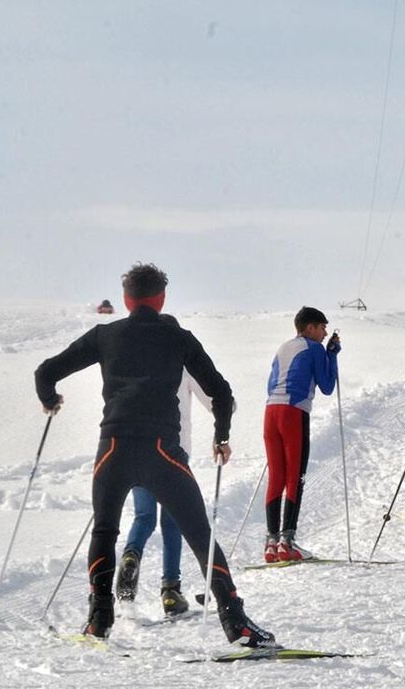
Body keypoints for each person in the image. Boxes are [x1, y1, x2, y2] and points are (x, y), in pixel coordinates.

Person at [34, 262, 273, 646]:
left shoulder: (104, 335)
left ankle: (99, 620)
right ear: (161, 299)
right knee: (199, 533)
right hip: (162, 449)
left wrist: (50, 399)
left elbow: (45, 371)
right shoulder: (179, 337)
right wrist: (221, 435)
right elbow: (221, 393)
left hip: (112, 448)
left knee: (105, 530)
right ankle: (236, 624)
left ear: (127, 299)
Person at [114, 372, 210, 617]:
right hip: (173, 453)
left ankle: (130, 556)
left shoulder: (140, 362)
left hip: (137, 448)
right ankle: (170, 591)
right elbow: (212, 400)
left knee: (144, 517)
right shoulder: (185, 365)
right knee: (172, 521)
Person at [262, 306, 340, 563]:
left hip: (271, 410)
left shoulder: (284, 347)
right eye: (322, 327)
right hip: (294, 412)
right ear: (310, 328)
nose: (325, 332)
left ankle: (271, 542)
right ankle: (287, 542)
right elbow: (327, 386)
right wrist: (332, 355)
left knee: (277, 475)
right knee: (295, 475)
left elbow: (271, 381)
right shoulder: (314, 347)